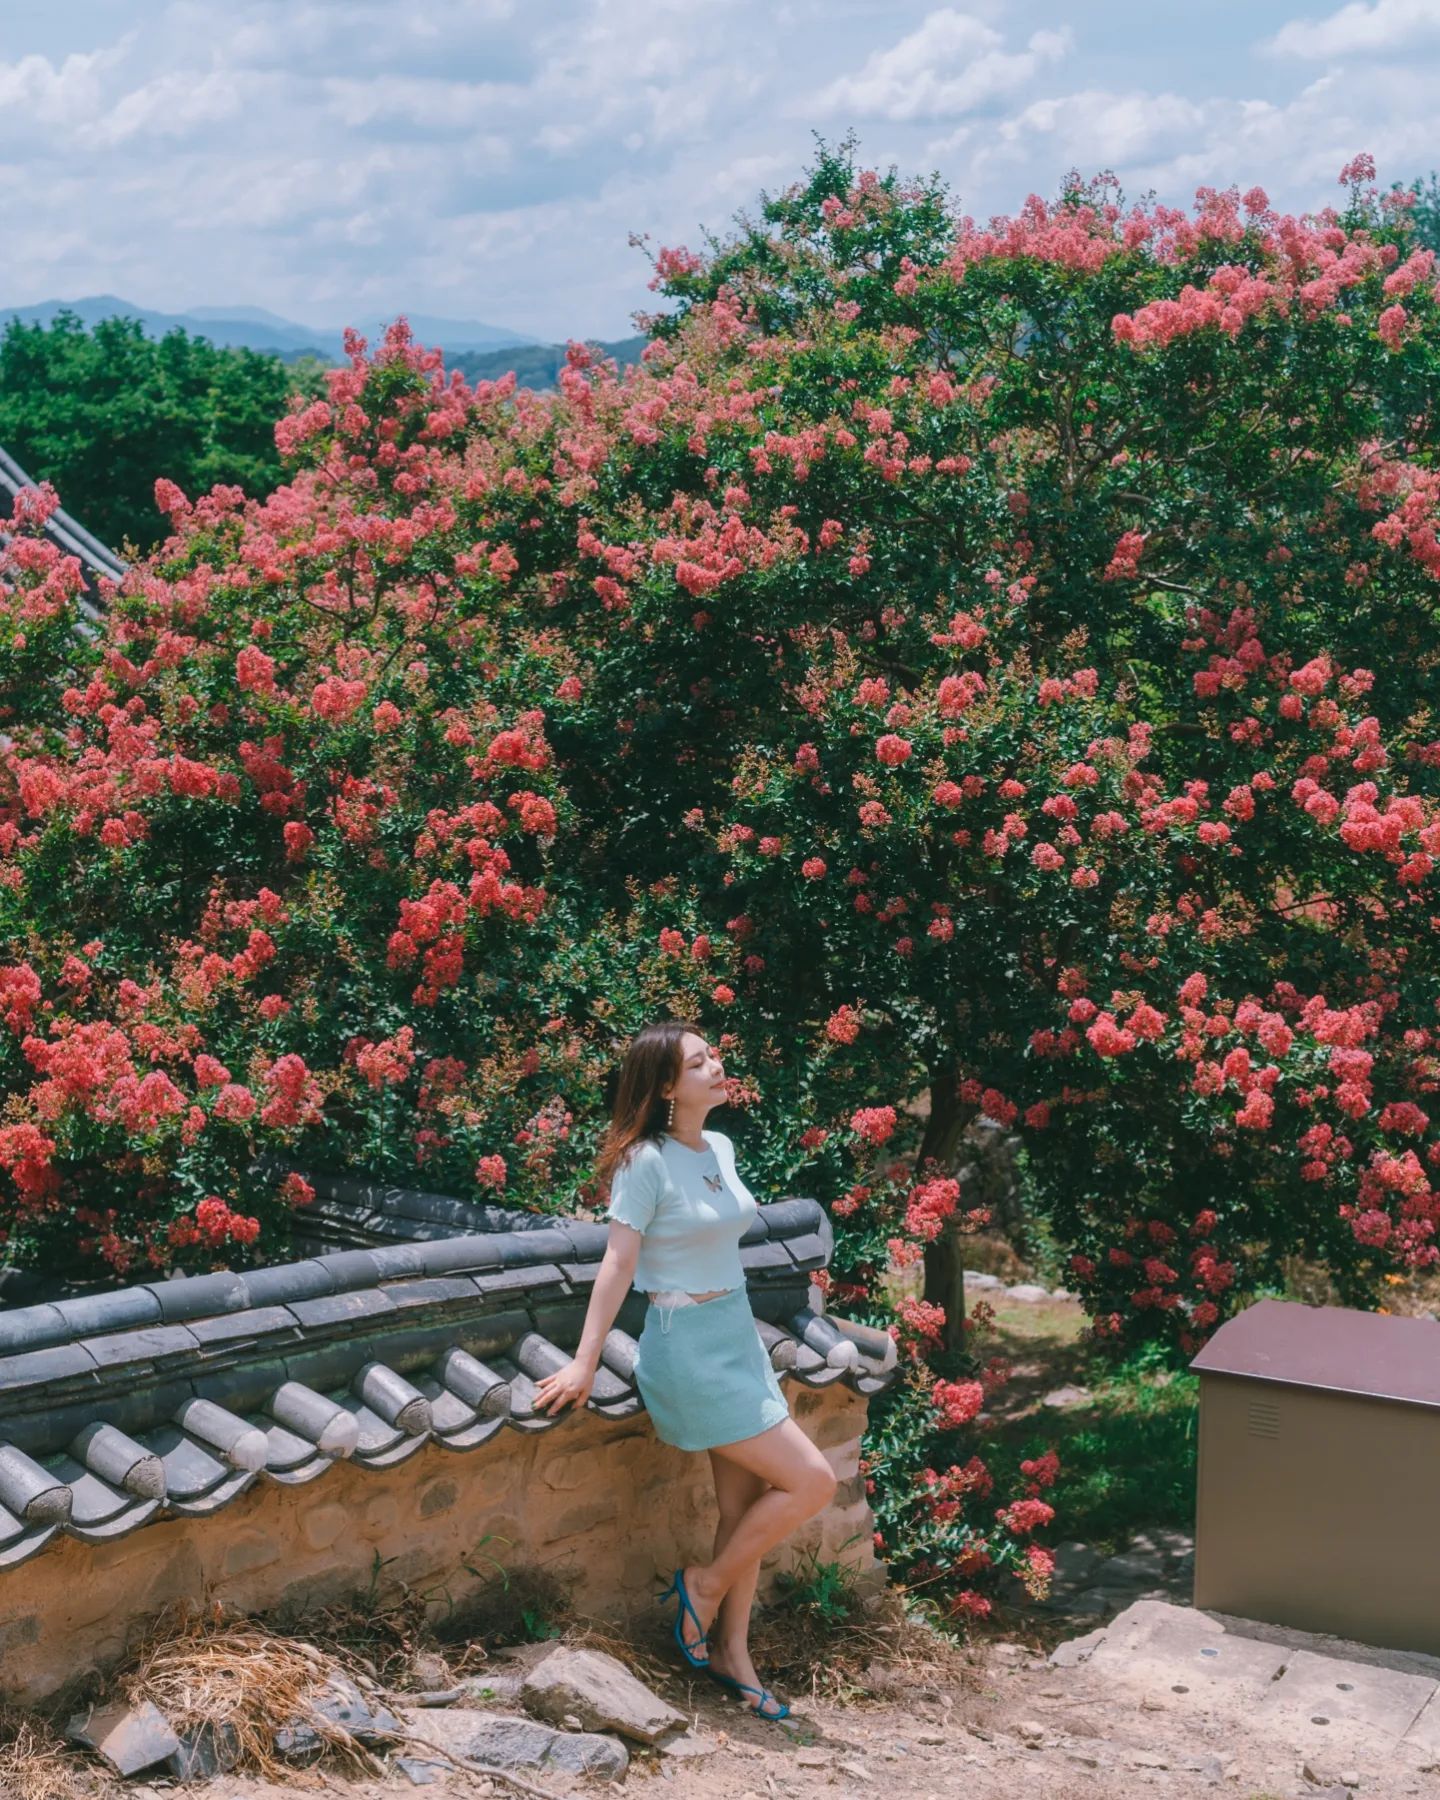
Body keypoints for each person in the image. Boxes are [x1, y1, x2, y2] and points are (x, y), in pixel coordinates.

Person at [532, 1019, 839, 1722]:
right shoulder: (644, 1162)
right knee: (813, 1480)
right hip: (687, 1348)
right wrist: (585, 1361)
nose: (717, 1066)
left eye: (714, 1055)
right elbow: (618, 1263)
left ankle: (733, 1654)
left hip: (736, 1334)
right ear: (668, 1086)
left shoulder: (720, 1147)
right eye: (700, 1062)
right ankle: (701, 1586)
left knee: (742, 1510)